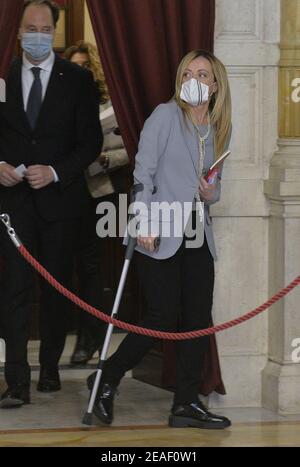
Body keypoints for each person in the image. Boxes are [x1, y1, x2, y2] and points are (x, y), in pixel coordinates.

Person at [87, 49, 232, 429]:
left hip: (198, 233)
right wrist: (143, 221)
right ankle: (106, 379)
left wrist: (209, 191)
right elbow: (143, 173)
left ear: (215, 86)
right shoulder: (165, 116)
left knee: (197, 318)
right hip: (159, 229)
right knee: (162, 318)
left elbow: (214, 189)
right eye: (188, 73)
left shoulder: (215, 129)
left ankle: (186, 402)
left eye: (203, 75)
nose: (194, 81)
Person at [0, 0, 102, 408]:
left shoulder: (77, 79)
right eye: (30, 28)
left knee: (57, 289)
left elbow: (90, 142)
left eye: (45, 29)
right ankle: (16, 379)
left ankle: (49, 369)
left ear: (54, 32)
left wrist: (57, 172)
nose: (37, 35)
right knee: (15, 291)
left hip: (61, 203)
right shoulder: (3, 75)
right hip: (13, 205)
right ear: (18, 30)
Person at [64, 42, 129, 365]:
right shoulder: (60, 103)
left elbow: (131, 148)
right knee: (65, 267)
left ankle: (90, 340)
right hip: (60, 195)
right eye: (75, 64)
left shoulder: (113, 106)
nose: (81, 70)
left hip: (99, 195)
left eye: (86, 65)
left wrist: (105, 158)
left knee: (92, 268)